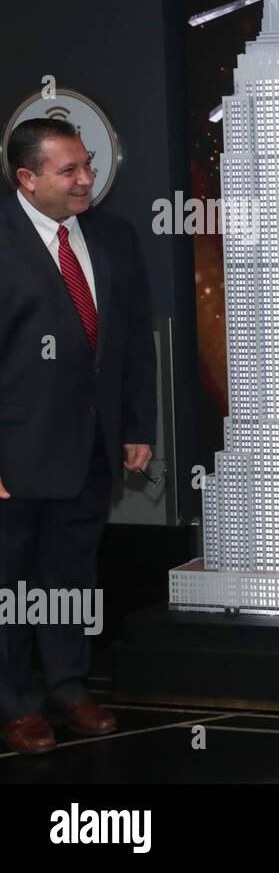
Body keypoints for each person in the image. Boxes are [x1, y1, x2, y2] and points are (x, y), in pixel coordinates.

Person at [0, 118, 156, 754]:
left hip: (92, 453)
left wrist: (138, 427)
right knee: (12, 587)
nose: (87, 178)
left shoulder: (113, 236)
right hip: (14, 458)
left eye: (87, 164)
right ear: (27, 178)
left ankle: (69, 688)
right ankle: (15, 703)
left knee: (70, 578)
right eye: (69, 171)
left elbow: (130, 345)